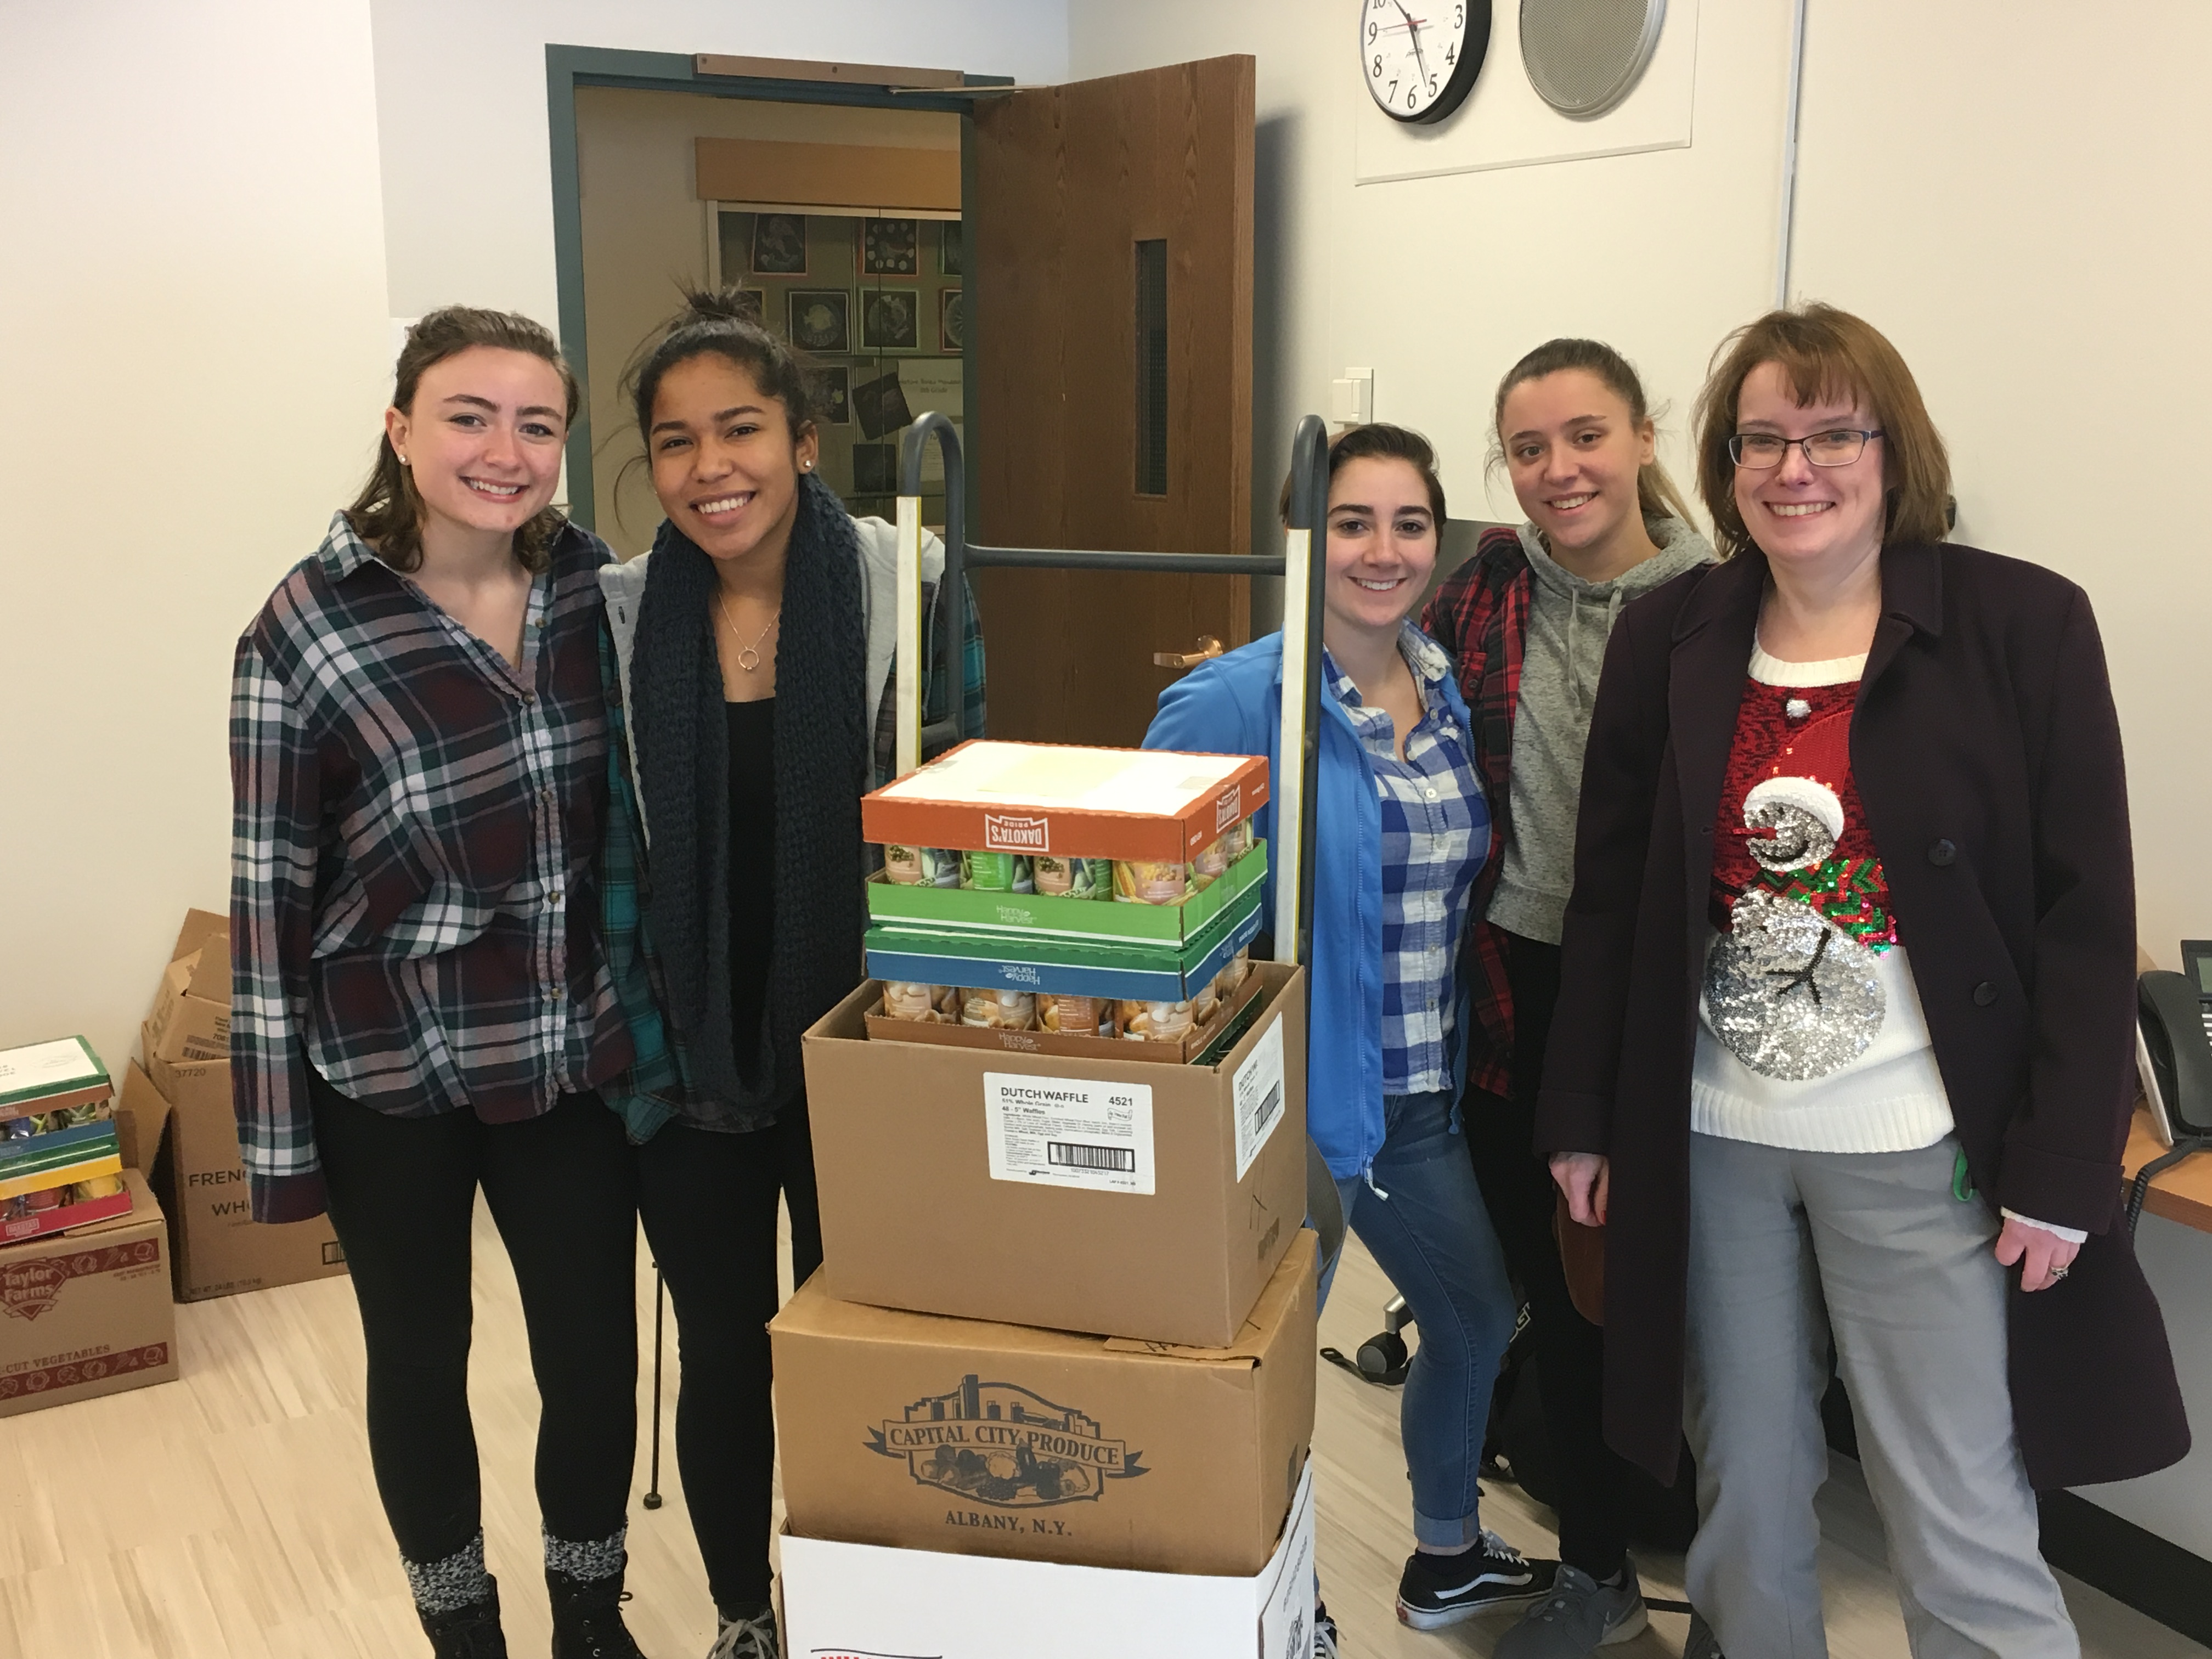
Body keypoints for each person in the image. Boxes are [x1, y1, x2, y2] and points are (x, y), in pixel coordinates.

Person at [1538, 303, 2190, 1658]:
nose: (1797, 468)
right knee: (1746, 1500)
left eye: (1833, 433)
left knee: (1956, 1510)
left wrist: (2066, 1168)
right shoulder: (1672, 640)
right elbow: (1614, 901)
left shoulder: (2023, 625)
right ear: (1724, 466)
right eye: (1762, 439)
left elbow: (2086, 918)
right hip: (1714, 1138)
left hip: (1922, 1144)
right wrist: (1582, 1117)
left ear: (1894, 449)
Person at [230, 308, 646, 1659]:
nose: (504, 451)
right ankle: (462, 1632)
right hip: (387, 1066)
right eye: (469, 415)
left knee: (592, 1350)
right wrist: (279, 1150)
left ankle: (589, 1612)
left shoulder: (595, 591)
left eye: (537, 424)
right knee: (421, 1358)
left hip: (563, 1049)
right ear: (402, 430)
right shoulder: (304, 630)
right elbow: (267, 899)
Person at [593, 287, 982, 1659]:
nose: (712, 469)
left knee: (862, 1341)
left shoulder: (904, 576)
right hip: (692, 1055)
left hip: (864, 1044)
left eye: (742, 429)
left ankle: (863, 1604)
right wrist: (646, 1043)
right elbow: (609, 855)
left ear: (805, 440)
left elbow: (969, 803)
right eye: (677, 441)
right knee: (724, 1350)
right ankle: (744, 1613)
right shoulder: (625, 613)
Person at [1145, 424, 1554, 1652]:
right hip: (1291, 1110)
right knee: (1265, 1382)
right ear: (1301, 541)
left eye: (1410, 524)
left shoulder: (1442, 685)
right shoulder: (1236, 699)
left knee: (1477, 1318)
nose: (1383, 551)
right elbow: (1159, 916)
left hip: (1414, 1093)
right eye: (1351, 524)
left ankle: (1443, 1560)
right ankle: (1275, 1609)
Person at [1421, 339, 1714, 1657]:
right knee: (1550, 1277)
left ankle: (1674, 1572)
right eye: (1529, 449)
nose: (1559, 471)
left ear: (1645, 438)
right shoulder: (1481, 595)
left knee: (1657, 1293)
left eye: (1585, 437)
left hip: (1668, 1002)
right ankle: (1589, 1552)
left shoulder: (1722, 607)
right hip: (1505, 987)